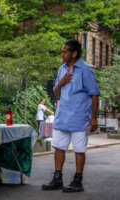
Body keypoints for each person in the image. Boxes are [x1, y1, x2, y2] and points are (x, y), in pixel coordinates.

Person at [42, 39, 99, 192]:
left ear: (74, 54)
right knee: (58, 148)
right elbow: (55, 91)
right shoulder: (62, 68)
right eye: (62, 51)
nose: (62, 54)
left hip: (79, 117)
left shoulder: (86, 70)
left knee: (79, 150)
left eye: (65, 51)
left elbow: (94, 95)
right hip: (62, 116)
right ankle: (57, 178)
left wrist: (94, 118)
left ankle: (77, 181)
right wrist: (61, 82)